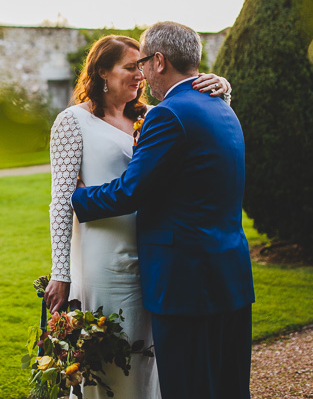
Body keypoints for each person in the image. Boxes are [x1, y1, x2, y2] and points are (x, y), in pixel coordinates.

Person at [69, 22, 255, 399]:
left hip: (185, 283)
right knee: (229, 387)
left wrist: (79, 198)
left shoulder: (167, 114)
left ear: (159, 61)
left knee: (187, 388)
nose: (141, 74)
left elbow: (132, 190)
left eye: (143, 64)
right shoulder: (223, 108)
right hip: (230, 276)